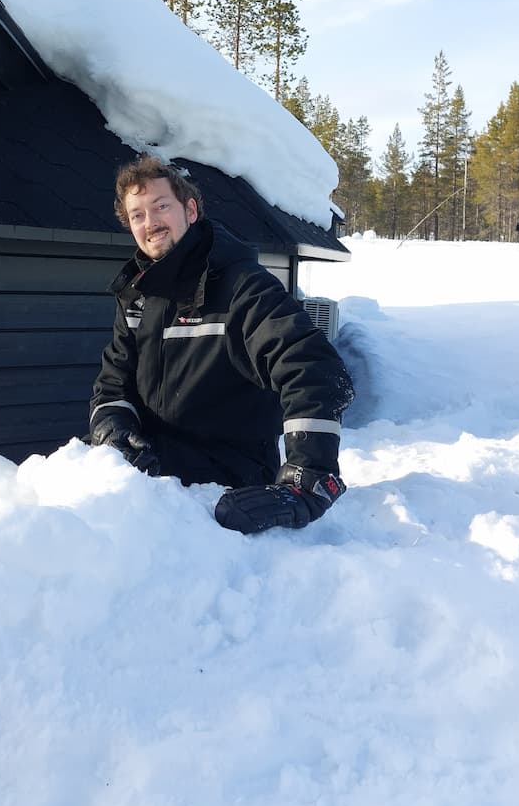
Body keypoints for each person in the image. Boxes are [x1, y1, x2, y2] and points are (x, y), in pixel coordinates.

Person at [89, 156, 354, 535]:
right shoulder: (137, 297)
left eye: (161, 206)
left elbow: (314, 369)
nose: (150, 223)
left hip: (226, 492)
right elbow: (112, 385)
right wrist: (114, 428)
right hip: (151, 492)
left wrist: (309, 475)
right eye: (137, 215)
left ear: (190, 210)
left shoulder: (242, 287)